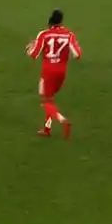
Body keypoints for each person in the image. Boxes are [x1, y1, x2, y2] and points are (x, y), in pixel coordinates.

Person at [26, 9, 82, 139]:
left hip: (48, 73)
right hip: (62, 73)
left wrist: (30, 47)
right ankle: (47, 129)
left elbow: (34, 54)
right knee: (51, 99)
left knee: (45, 102)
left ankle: (62, 120)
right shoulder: (69, 35)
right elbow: (78, 54)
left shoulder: (44, 34)